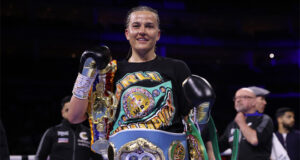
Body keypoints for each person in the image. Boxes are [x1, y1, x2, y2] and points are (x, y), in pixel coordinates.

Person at [67, 6, 215, 160]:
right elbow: (74, 117)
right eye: (136, 26)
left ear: (158, 35)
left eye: (149, 26)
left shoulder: (176, 67)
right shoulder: (109, 73)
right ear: (127, 33)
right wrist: (85, 75)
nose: (142, 31)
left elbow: (193, 126)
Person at [35, 96, 103, 160]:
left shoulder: (90, 134)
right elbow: (40, 157)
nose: (71, 113)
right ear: (62, 113)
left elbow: (98, 158)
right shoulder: (52, 132)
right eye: (67, 110)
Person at [218, 87, 274, 160]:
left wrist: (241, 123)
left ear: (254, 101)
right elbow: (218, 148)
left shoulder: (264, 119)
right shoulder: (233, 124)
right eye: (236, 98)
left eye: (243, 97)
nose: (238, 100)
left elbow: (254, 140)